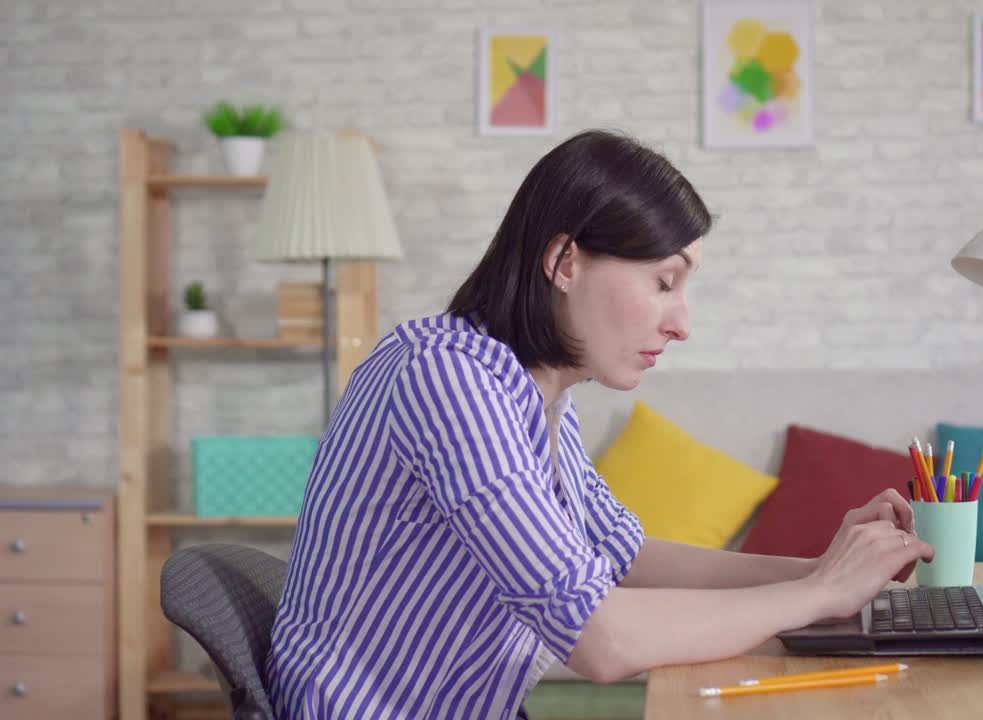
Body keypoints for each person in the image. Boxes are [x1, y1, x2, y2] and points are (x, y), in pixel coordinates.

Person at [265, 129, 934, 720]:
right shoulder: (446, 379)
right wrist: (819, 593)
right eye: (664, 282)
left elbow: (627, 559)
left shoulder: (538, 396)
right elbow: (602, 641)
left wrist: (817, 571)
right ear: (565, 263)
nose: (682, 323)